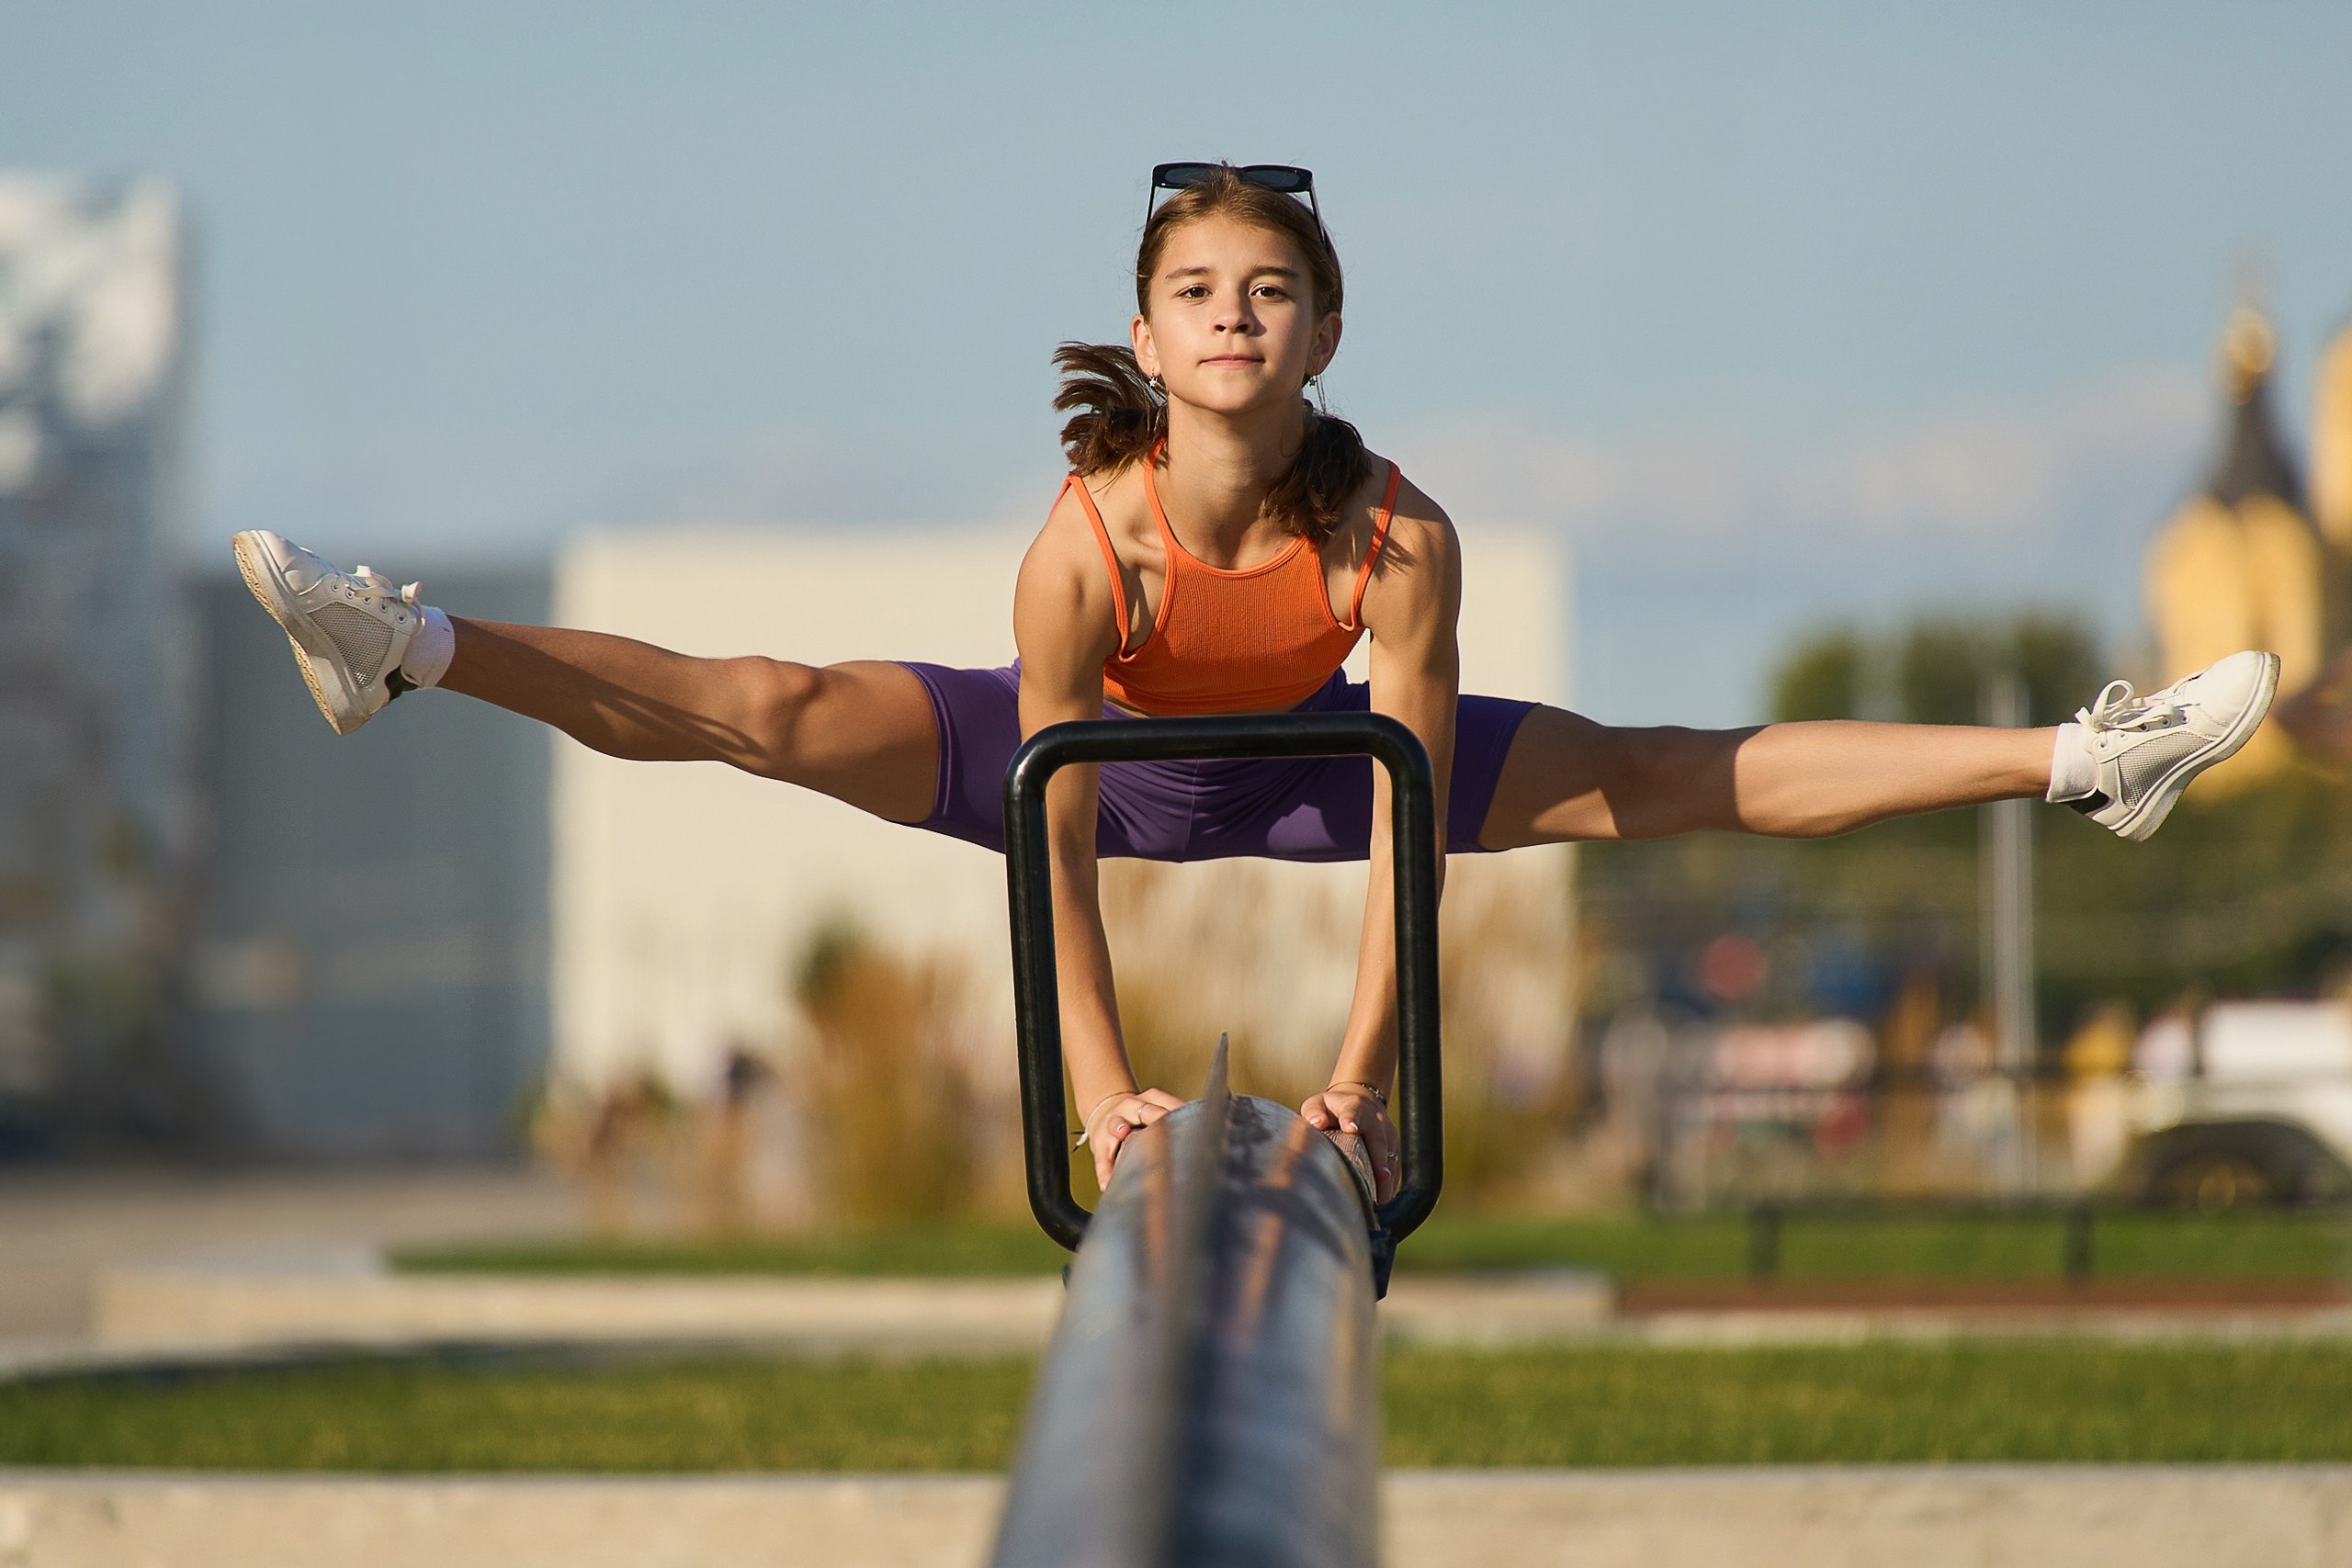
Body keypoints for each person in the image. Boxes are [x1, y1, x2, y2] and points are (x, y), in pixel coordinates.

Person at [229, 163, 2279, 1203]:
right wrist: (1099, 1089)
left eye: (1267, 292)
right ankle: (401, 646)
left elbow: (1405, 828)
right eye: (1196, 293)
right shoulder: (1081, 541)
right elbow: (1048, 855)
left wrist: (1367, 1075)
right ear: (1144, 328)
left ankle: (2079, 757)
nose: (1231, 317)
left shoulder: (1398, 537)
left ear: (1317, 330)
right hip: (1102, 770)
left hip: (1320, 770)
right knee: (760, 700)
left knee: (1666, 767)